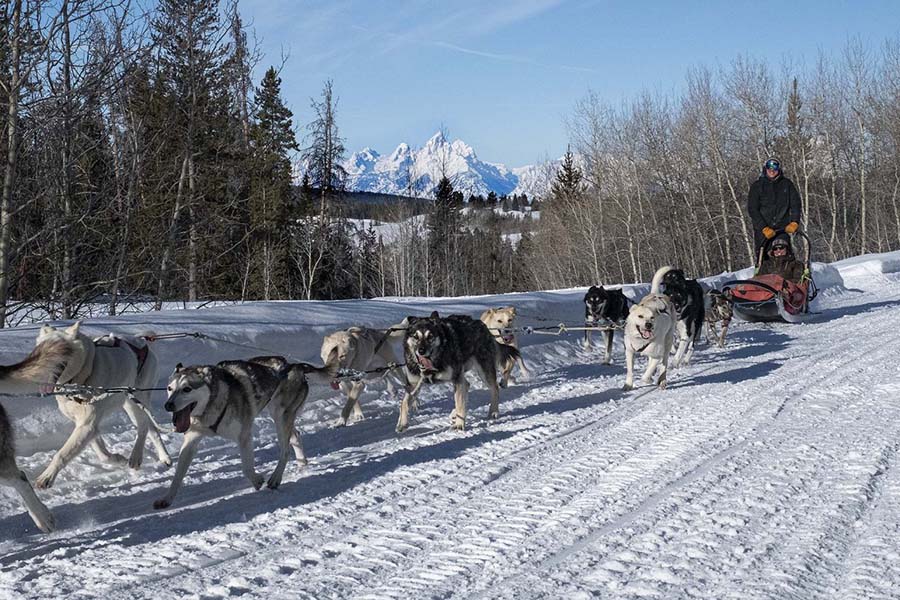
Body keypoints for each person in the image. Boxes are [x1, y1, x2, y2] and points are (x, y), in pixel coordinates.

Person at [747, 157, 802, 256]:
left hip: (782, 227)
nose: (772, 171)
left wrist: (794, 221)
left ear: (779, 169)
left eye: (775, 168)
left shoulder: (787, 185)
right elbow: (752, 209)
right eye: (769, 168)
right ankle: (760, 269)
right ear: (765, 168)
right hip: (763, 230)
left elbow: (795, 204)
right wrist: (763, 227)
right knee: (763, 256)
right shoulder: (757, 186)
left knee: (783, 254)